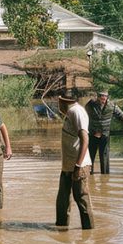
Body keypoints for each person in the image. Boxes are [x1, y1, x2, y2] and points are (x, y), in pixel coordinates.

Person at [55, 94, 94, 230]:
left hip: (79, 166)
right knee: (62, 201)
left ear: (63, 101)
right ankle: (61, 229)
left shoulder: (76, 111)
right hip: (67, 166)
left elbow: (85, 139)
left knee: (82, 200)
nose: (58, 105)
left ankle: (89, 233)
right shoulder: (71, 112)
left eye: (58, 102)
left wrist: (78, 166)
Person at [85, 91, 123, 175]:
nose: (104, 100)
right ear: (98, 97)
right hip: (92, 135)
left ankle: (105, 178)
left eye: (105, 98)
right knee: (90, 158)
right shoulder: (90, 105)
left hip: (104, 136)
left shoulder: (112, 106)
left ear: (107, 98)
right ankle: (89, 176)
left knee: (104, 159)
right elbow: (84, 115)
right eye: (102, 98)